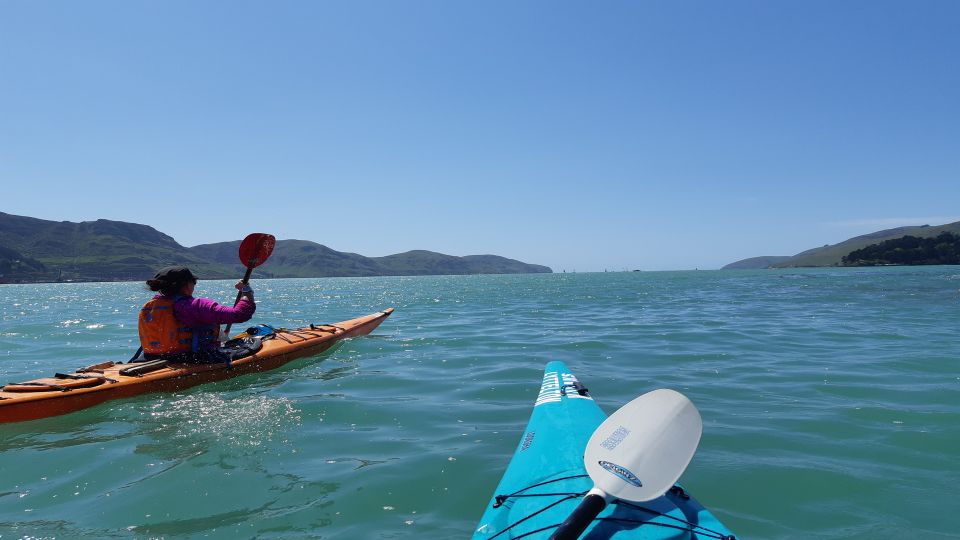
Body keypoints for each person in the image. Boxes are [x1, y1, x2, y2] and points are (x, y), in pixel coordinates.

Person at [138, 266, 256, 362]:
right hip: (191, 359)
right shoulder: (195, 305)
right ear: (185, 285)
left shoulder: (149, 307)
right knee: (255, 344)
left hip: (151, 358)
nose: (194, 285)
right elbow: (240, 314)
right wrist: (246, 291)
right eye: (193, 281)